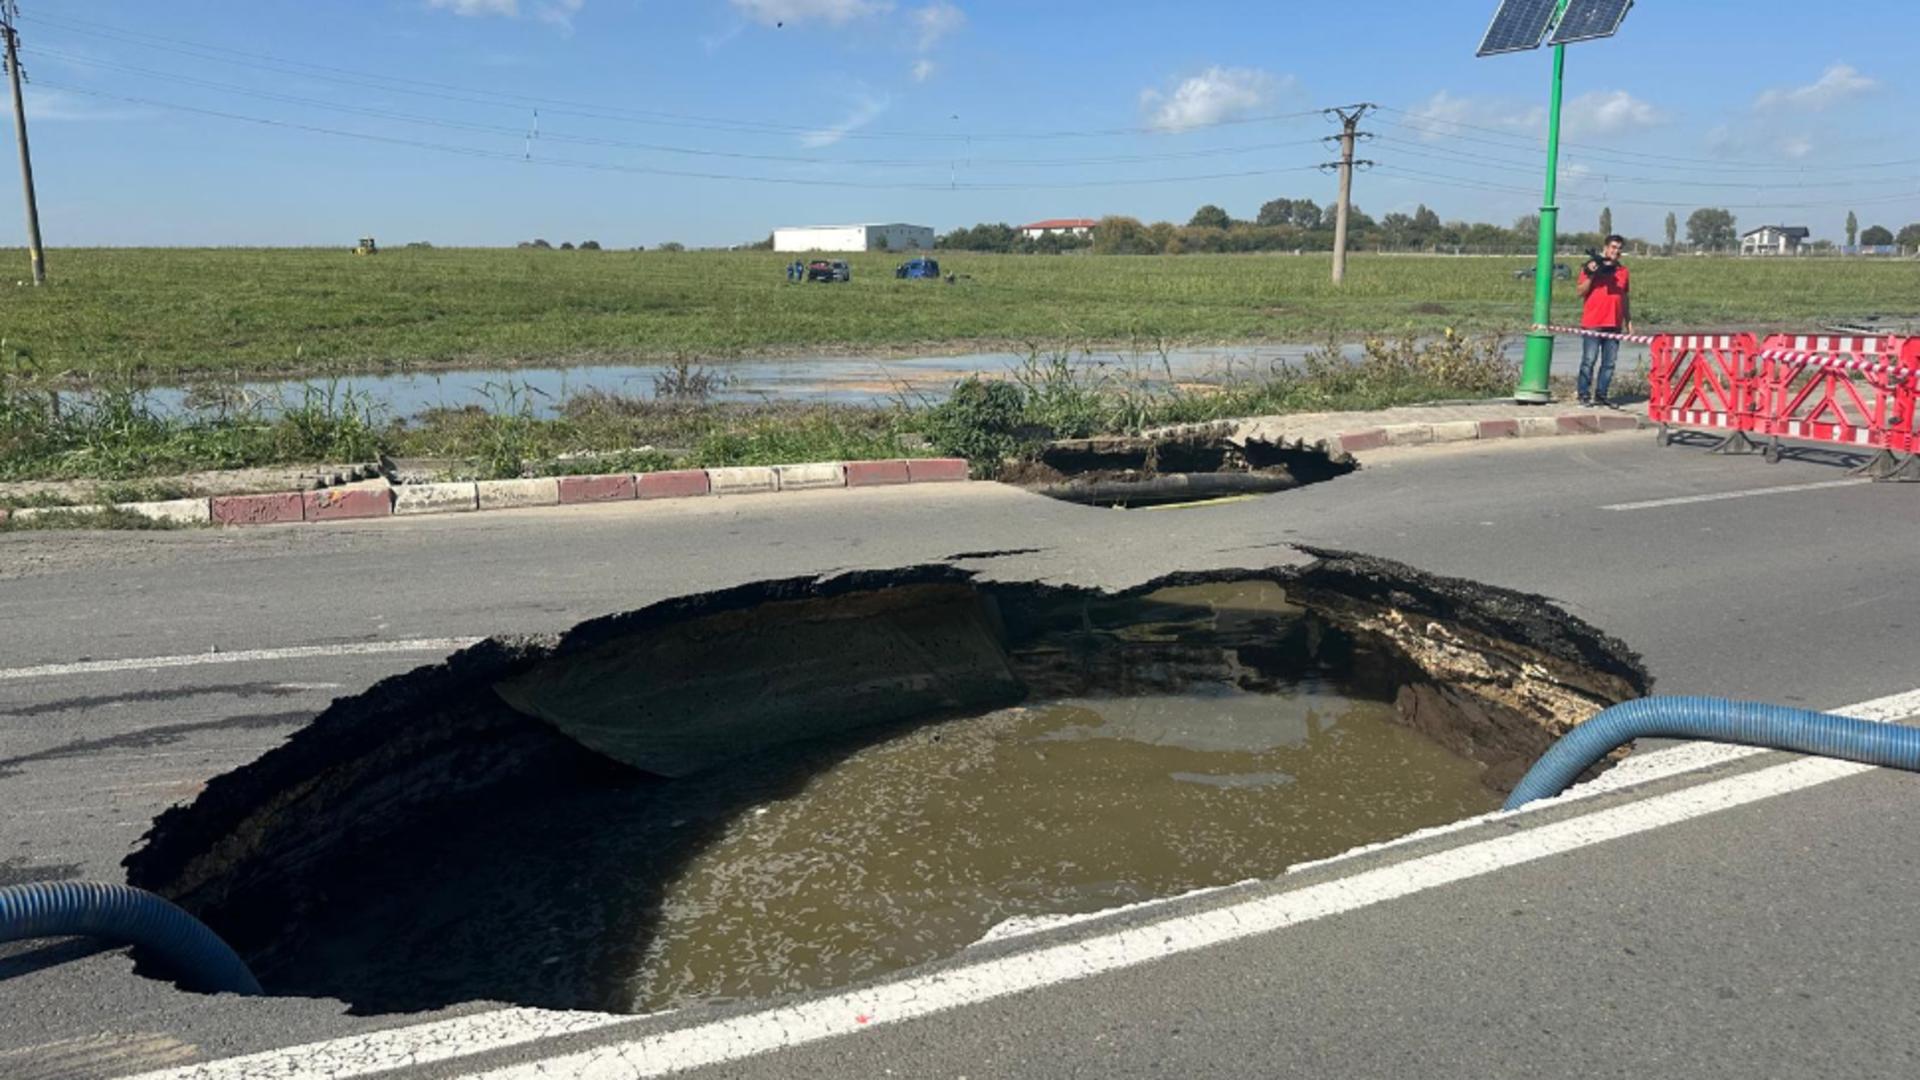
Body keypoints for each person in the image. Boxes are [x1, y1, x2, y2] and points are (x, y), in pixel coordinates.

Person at [1575, 234, 1632, 407]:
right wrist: (1592, 274)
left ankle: (1601, 395)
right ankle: (1583, 394)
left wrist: (1628, 321)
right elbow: (1579, 292)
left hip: (1614, 324)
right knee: (1589, 360)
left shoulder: (1623, 272)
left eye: (1619, 248)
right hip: (1593, 322)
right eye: (1613, 247)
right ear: (1606, 248)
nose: (1616, 251)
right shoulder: (1591, 266)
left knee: (1609, 363)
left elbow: (1624, 297)